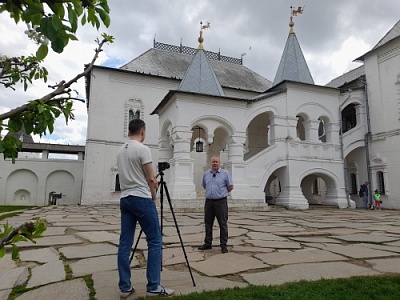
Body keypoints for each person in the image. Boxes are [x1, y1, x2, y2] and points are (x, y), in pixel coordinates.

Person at [116, 119, 174, 298]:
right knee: (155, 240)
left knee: (125, 242)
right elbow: (150, 179)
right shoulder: (143, 149)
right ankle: (154, 286)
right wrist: (155, 196)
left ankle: (125, 287)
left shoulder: (120, 150)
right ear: (142, 131)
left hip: (125, 198)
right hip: (141, 197)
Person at [198, 156, 234, 254]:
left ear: (219, 163)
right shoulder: (206, 174)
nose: (215, 163)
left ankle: (223, 245)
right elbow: (205, 185)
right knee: (208, 223)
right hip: (209, 202)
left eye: (216, 162)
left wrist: (221, 193)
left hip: (221, 202)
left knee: (222, 224)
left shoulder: (225, 174)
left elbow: (230, 186)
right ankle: (208, 243)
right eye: (213, 162)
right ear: (211, 163)